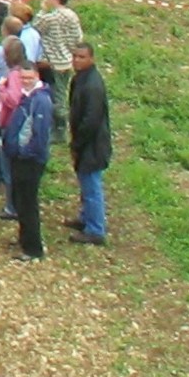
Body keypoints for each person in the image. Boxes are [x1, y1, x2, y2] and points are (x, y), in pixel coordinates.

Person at [0, 63, 56, 260]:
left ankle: (33, 249)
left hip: (30, 161)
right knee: (20, 201)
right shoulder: (27, 97)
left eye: (29, 78)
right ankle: (25, 239)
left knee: (28, 203)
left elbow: (39, 136)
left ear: (37, 77)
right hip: (18, 157)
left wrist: (24, 152)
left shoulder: (41, 101)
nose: (25, 81)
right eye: (22, 78)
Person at [66, 45, 113, 244]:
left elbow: (91, 120)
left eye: (82, 57)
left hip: (92, 144)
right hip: (86, 141)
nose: (77, 60)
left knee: (92, 185)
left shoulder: (92, 85)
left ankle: (95, 229)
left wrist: (77, 144)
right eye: (75, 56)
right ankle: (86, 218)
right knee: (86, 184)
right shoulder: (80, 79)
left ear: (91, 59)